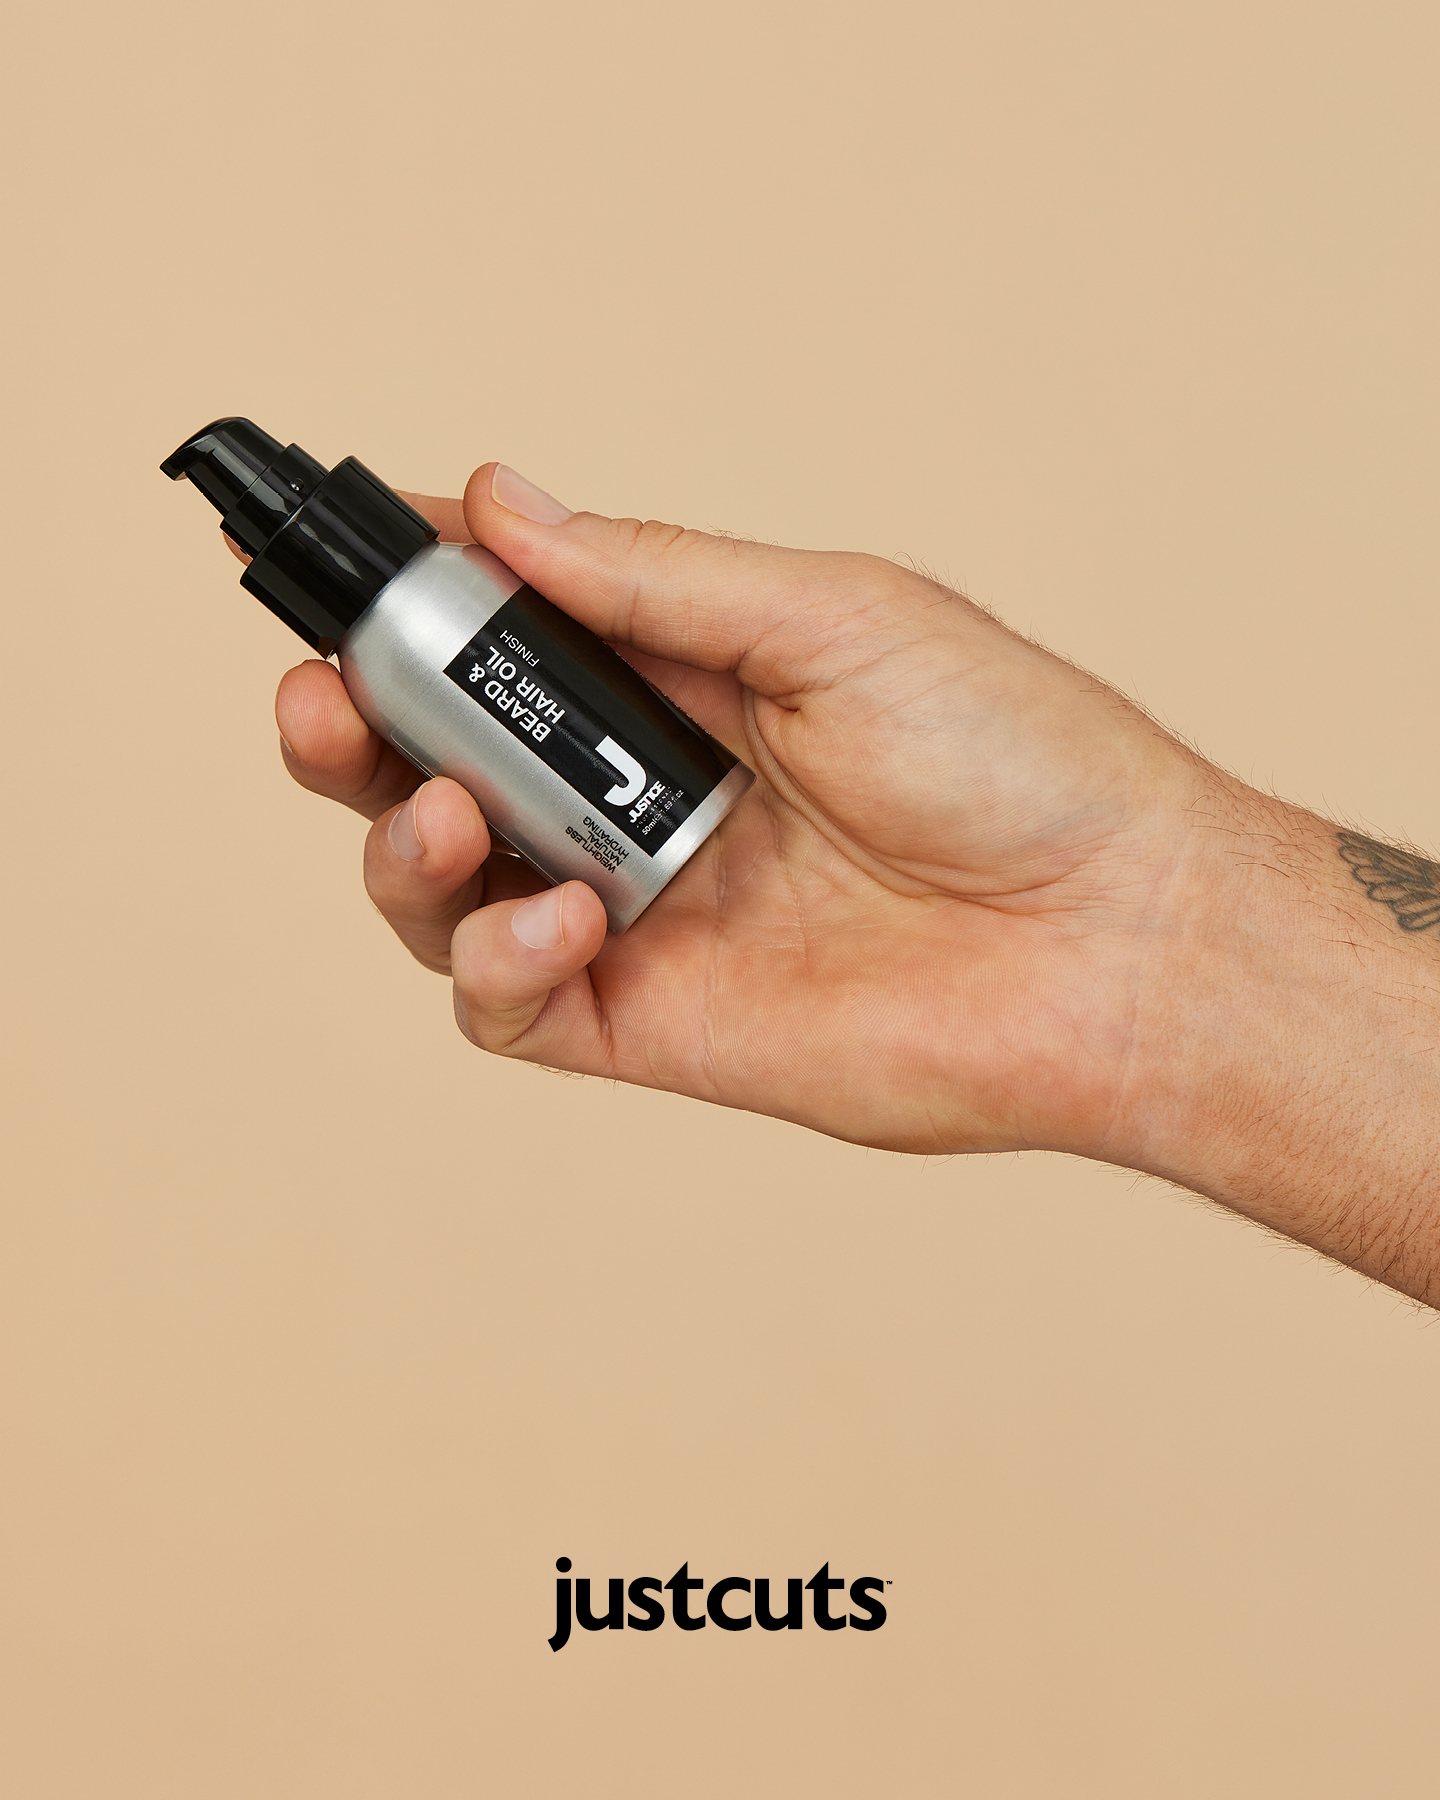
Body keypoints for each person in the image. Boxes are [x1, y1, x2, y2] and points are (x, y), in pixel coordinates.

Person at [270, 463, 1440, 1308]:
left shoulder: (423, 610)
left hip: (691, 814)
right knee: (442, 833)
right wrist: (1146, 956)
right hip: (674, 841)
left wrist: (1150, 909)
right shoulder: (382, 657)